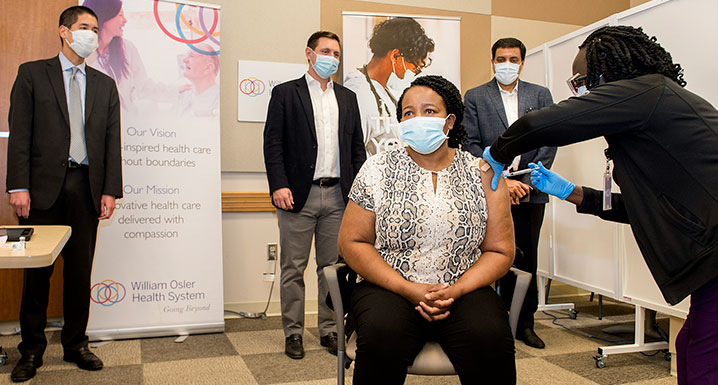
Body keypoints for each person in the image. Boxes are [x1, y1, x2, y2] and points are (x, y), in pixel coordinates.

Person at [482, 26, 718, 385]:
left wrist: (496, 153)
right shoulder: (651, 115)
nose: (583, 95)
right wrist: (573, 192)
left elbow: (546, 122)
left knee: (703, 362)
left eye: (582, 84)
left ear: (607, 76)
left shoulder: (649, 91)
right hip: (709, 262)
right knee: (688, 346)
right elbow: (646, 210)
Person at [338, 75, 516, 384]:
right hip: (389, 285)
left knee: (489, 337)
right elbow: (352, 241)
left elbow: (500, 250)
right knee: (382, 334)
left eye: (429, 111)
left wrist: (455, 290)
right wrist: (408, 288)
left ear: (449, 122)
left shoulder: (484, 173)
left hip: (464, 285)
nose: (417, 119)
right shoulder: (377, 169)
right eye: (408, 112)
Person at [6, 5, 122, 382]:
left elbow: (111, 142)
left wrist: (110, 190)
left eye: (95, 27)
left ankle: (75, 345)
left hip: (86, 188)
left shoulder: (105, 84)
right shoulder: (32, 74)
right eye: (84, 27)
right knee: (37, 275)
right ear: (64, 31)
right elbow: (19, 135)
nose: (91, 33)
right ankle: (31, 351)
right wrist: (18, 186)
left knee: (78, 273)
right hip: (41, 189)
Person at [263, 31, 366, 360]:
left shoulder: (348, 98)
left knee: (332, 268)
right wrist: (278, 185)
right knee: (293, 267)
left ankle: (329, 328)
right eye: (325, 51)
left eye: (336, 53)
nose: (331, 58)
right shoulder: (285, 94)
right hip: (296, 195)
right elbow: (273, 144)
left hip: (337, 196)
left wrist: (358, 192)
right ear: (309, 53)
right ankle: (293, 331)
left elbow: (356, 150)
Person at [463, 37, 556, 349]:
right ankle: (492, 321)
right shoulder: (475, 96)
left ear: (522, 62)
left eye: (512, 59)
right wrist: (503, 180)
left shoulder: (540, 94)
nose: (506, 64)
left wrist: (527, 181)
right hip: (491, 188)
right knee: (489, 255)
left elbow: (548, 139)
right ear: (492, 62)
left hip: (530, 190)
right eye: (501, 59)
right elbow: (471, 144)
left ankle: (524, 323)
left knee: (527, 256)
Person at [343, 17, 434, 155]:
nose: (414, 74)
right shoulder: (359, 94)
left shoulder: (382, 90)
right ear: (396, 56)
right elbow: (352, 154)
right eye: (415, 68)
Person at [82, 0, 177, 114]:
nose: (125, 20)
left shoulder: (126, 48)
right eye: (120, 15)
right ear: (105, 16)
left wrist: (175, 91)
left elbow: (143, 86)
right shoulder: (83, 55)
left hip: (127, 124)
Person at [175, 45, 220, 117]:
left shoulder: (220, 100)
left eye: (191, 56)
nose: (184, 60)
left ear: (208, 68)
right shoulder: (184, 96)